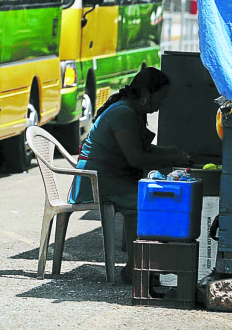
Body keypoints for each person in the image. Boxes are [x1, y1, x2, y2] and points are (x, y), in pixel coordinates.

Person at [70, 65, 190, 284]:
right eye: (160, 97)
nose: (163, 103)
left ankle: (140, 262)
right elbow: (136, 157)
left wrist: (170, 153)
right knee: (144, 203)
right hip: (97, 180)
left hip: (111, 176)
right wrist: (171, 159)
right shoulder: (123, 112)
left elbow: (143, 149)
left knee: (150, 197)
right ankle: (135, 267)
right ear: (145, 94)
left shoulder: (133, 111)